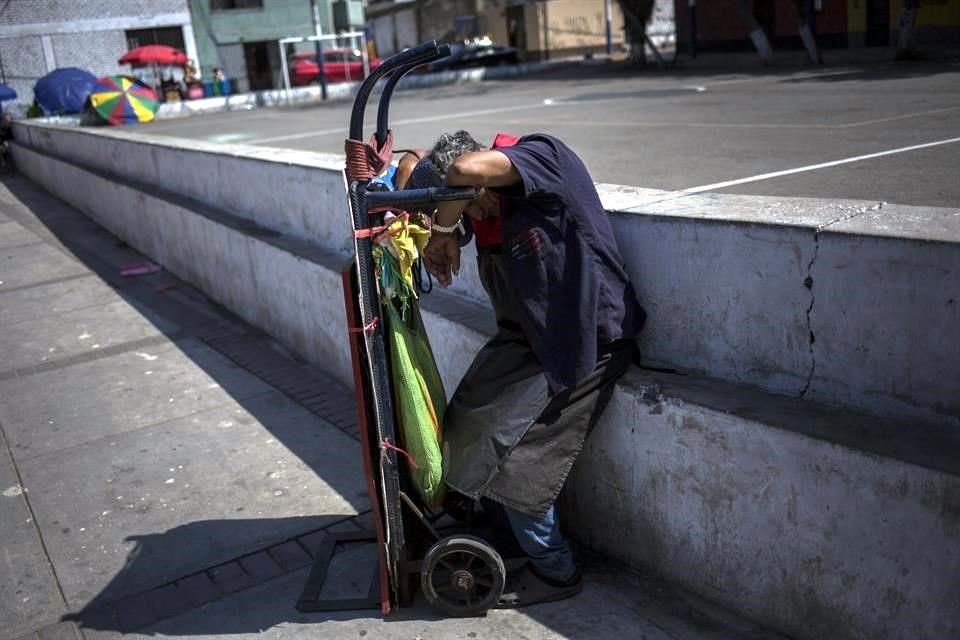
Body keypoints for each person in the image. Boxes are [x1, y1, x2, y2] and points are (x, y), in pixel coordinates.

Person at [413, 131, 645, 601]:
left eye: (467, 208)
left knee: (519, 458)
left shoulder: (541, 158)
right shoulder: (481, 206)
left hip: (586, 341)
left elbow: (460, 172)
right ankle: (500, 533)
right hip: (526, 344)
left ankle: (554, 569)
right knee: (466, 418)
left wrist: (442, 230)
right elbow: (416, 167)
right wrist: (440, 222)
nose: (471, 221)